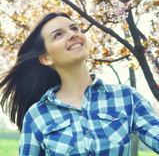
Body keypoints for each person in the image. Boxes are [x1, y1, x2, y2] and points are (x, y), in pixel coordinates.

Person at [0, 12, 159, 156]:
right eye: (58, 35)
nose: (72, 35)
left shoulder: (126, 97)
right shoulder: (37, 115)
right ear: (46, 58)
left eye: (74, 28)